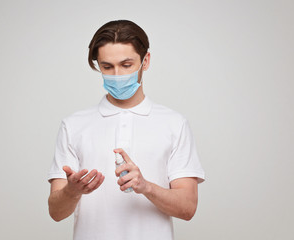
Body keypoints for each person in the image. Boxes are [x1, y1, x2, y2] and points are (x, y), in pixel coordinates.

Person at [47, 20, 205, 240]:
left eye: (127, 65)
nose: (117, 74)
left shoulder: (174, 124)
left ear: (145, 61)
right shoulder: (73, 125)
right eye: (107, 66)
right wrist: (71, 192)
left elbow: (187, 208)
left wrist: (146, 187)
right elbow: (56, 212)